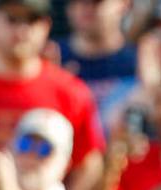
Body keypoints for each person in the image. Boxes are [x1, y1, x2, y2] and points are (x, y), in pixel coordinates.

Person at [0, 0, 105, 190]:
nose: (21, 30)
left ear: (46, 26)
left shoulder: (71, 93)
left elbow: (88, 163)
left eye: (32, 20)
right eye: (12, 19)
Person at [58, 0, 138, 135]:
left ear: (124, 4)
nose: (86, 7)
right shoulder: (50, 59)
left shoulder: (140, 64)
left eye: (97, 2)